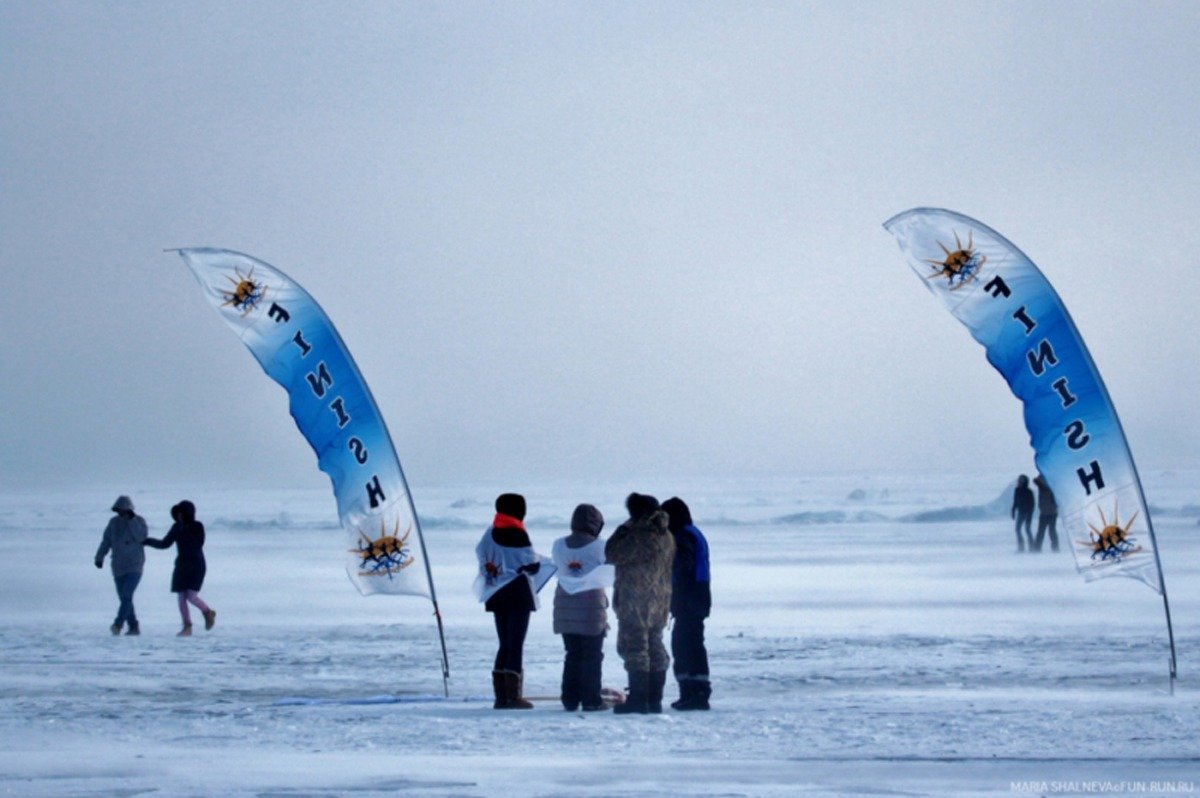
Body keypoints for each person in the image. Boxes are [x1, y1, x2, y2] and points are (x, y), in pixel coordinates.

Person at [605, 493, 675, 715]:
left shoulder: (638, 534)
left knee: (636, 648)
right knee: (655, 645)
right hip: (660, 599)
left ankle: (639, 700)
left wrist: (623, 530)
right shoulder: (666, 534)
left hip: (636, 599)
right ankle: (654, 700)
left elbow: (612, 552)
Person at [475, 493, 544, 710]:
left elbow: (482, 554)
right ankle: (513, 697)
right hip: (517, 593)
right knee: (516, 644)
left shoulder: (490, 533)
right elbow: (532, 564)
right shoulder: (518, 533)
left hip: (496, 593)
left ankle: (501, 697)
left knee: (504, 643)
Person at [551, 503, 612, 712]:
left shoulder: (558, 545)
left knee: (572, 653)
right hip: (590, 608)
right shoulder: (600, 547)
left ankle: (570, 698)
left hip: (564, 606)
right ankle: (591, 699)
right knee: (593, 655)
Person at [662, 497, 712, 711]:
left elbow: (683, 566)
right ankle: (693, 692)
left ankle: (694, 693)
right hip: (697, 599)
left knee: (685, 648)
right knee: (690, 646)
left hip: (688, 600)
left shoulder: (682, 536)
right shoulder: (692, 532)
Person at [144, 500, 215, 636]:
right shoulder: (176, 527)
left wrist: (185, 530)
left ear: (189, 514)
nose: (179, 516)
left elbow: (198, 543)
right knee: (181, 597)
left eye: (182, 513)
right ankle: (187, 626)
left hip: (196, 565)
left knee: (191, 596)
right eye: (177, 514)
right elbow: (165, 543)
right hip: (181, 565)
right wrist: (148, 541)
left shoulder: (197, 526)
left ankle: (207, 612)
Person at [94, 495, 148, 636]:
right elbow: (106, 541)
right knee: (125, 598)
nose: (120, 513)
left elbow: (141, 537)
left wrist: (132, 520)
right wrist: (99, 557)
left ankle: (118, 624)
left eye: (123, 510)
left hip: (135, 565)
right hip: (118, 566)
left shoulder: (139, 521)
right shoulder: (113, 523)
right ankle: (134, 626)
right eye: (118, 510)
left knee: (126, 594)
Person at [1033, 475, 1059, 552]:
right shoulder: (1042, 488)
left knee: (1051, 531)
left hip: (1051, 513)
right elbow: (1036, 481)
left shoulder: (1051, 488)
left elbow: (1056, 501)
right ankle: (1037, 548)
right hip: (1045, 512)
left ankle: (1055, 548)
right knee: (1042, 531)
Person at [1010, 475, 1035, 552]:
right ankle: (1021, 546)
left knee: (1027, 529)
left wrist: (1029, 514)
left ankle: (1032, 546)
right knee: (1017, 529)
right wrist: (1013, 510)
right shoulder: (1017, 490)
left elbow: (1032, 504)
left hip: (1027, 513)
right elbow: (1015, 501)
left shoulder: (1029, 492)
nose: (1018, 483)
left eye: (1020, 481)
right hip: (1020, 512)